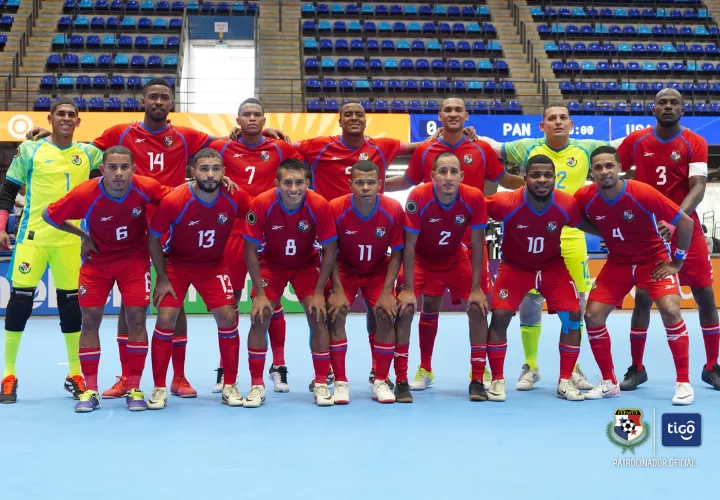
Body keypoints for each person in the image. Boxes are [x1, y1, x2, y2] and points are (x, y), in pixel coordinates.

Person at [27, 78, 220, 399]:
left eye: (165, 98)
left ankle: (180, 377)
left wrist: (256, 135)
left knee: (174, 303)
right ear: (142, 101)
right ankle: (125, 379)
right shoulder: (121, 133)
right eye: (153, 97)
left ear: (171, 104)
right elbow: (84, 147)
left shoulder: (185, 136)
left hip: (170, 228)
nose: (158, 102)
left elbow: (225, 143)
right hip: (130, 232)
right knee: (132, 310)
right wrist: (53, 135)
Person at [386, 96, 525, 391]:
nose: (452, 113)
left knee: (478, 305)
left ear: (467, 115)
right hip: (429, 243)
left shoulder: (482, 148)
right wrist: (373, 186)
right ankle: (424, 368)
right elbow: (407, 181)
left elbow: (505, 180)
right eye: (447, 109)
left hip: (468, 244)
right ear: (439, 115)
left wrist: (536, 185)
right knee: (429, 306)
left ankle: (481, 371)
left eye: (457, 109)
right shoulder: (425, 149)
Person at [480, 104, 620, 391]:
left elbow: (620, 148)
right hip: (528, 238)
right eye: (551, 118)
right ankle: (531, 366)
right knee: (528, 305)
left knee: (575, 308)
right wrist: (470, 136)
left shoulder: (588, 147)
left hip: (571, 234)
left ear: (572, 124)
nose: (558, 122)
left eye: (563, 118)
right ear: (541, 125)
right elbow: (490, 150)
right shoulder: (525, 147)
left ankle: (572, 369)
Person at [43, 146, 172, 412]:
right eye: (112, 167)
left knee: (136, 319)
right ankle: (90, 391)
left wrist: (217, 181)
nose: (119, 173)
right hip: (97, 263)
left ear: (133, 170)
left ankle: (135, 388)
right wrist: (84, 236)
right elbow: (49, 215)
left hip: (134, 262)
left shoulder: (146, 187)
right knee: (90, 321)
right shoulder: (85, 193)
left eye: (125, 167)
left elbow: (179, 199)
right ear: (102, 170)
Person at [0, 98, 103, 403]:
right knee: (19, 304)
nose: (67, 118)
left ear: (79, 121)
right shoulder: (30, 149)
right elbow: (8, 191)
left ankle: (75, 374)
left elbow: (103, 191)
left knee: (71, 309)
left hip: (71, 242)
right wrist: (2, 226)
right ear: (50, 117)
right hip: (33, 239)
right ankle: (8, 374)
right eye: (61, 114)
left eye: (72, 114)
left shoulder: (89, 153)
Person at [575, 146, 695, 405]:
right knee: (593, 316)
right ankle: (609, 382)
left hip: (653, 260)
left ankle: (684, 382)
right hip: (618, 263)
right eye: (598, 167)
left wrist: (677, 263)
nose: (604, 171)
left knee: (671, 311)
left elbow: (686, 222)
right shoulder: (585, 196)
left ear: (620, 168)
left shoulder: (641, 191)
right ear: (591, 172)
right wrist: (605, 232)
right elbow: (574, 219)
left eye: (609, 166)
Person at [617, 88, 720, 391]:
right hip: (647, 233)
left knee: (705, 295)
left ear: (682, 109)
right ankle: (637, 368)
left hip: (686, 228)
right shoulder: (636, 141)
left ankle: (712, 365)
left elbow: (698, 186)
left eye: (674, 102)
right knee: (643, 298)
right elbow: (610, 168)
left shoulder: (695, 142)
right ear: (654, 108)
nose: (668, 106)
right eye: (662, 102)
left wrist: (673, 220)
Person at [208, 97, 303, 393]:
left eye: (257, 115)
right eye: (246, 115)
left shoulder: (280, 148)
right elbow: (202, 163)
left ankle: (278, 364)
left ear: (264, 120)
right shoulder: (221, 148)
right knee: (230, 302)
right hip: (233, 233)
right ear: (237, 120)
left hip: (271, 232)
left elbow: (300, 168)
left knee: (271, 301)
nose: (251, 119)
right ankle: (227, 367)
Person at [146, 149, 252, 410]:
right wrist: (161, 278)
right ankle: (160, 387)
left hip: (213, 266)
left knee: (229, 316)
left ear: (224, 173)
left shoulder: (234, 197)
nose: (210, 174)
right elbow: (153, 238)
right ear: (192, 172)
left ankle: (230, 385)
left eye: (216, 168)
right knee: (166, 317)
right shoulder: (174, 200)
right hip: (176, 265)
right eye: (204, 168)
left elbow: (260, 211)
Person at [485, 155, 585, 402]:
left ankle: (565, 380)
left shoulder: (566, 204)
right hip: (515, 267)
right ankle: (497, 379)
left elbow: (592, 224)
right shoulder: (505, 202)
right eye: (536, 175)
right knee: (499, 316)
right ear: (525, 177)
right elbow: (471, 210)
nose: (542, 180)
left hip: (552, 267)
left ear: (554, 178)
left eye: (548, 175)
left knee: (573, 316)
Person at [243, 158, 338, 407]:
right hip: (270, 265)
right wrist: (260, 294)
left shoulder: (319, 204)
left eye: (299, 182)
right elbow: (250, 250)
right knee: (261, 315)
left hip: (305, 265)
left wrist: (319, 291)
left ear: (308, 182)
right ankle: (256, 385)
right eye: (287, 182)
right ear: (277, 183)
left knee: (317, 315)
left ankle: (319, 382)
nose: (293, 188)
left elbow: (330, 249)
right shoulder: (262, 203)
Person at [397, 151, 490, 401]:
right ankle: (404, 378)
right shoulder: (418, 196)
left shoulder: (473, 197)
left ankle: (478, 377)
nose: (448, 177)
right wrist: (407, 288)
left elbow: (479, 244)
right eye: (442, 172)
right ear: (432, 176)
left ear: (461, 175)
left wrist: (477, 288)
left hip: (455, 260)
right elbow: (409, 243)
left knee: (478, 307)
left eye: (453, 172)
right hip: (420, 261)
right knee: (405, 309)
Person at [326, 160, 406, 404]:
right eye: (359, 182)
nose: (365, 187)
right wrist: (338, 289)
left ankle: (380, 379)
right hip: (344, 269)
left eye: (370, 182)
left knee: (385, 312)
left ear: (379, 185)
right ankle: (340, 381)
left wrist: (386, 292)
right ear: (350, 184)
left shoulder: (393, 209)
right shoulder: (335, 208)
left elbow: (397, 252)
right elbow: (329, 252)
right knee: (336, 312)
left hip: (378, 270)